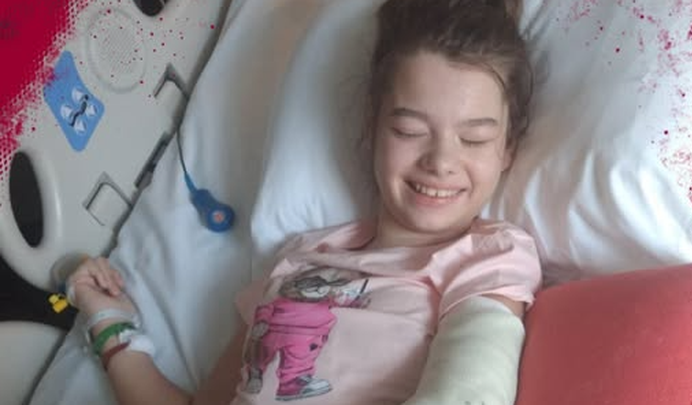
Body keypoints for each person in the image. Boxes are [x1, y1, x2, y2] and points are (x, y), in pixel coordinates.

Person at [67, 0, 540, 404]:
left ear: (507, 150)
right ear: (373, 127)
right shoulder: (299, 260)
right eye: (409, 130)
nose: (441, 162)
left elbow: (470, 392)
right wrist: (111, 326)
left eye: (474, 139)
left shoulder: (486, 258)